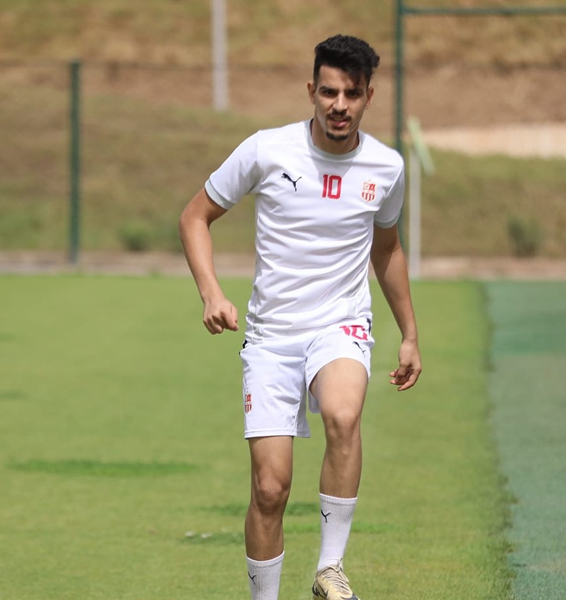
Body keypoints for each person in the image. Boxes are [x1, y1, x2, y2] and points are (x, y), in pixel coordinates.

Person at [179, 34, 421, 600]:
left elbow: (386, 248)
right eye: (329, 92)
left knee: (343, 412)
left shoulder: (386, 167)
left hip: (340, 325)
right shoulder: (267, 150)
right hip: (271, 337)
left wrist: (410, 333)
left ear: (368, 97)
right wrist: (211, 293)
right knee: (270, 488)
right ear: (312, 90)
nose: (340, 105)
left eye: (352, 94)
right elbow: (195, 217)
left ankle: (329, 569)